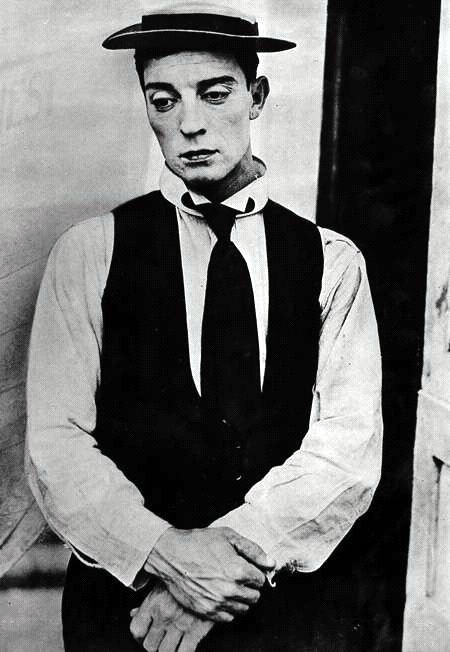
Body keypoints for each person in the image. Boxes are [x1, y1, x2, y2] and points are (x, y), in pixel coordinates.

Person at [25, 3, 383, 651]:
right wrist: (165, 555)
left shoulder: (331, 261)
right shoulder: (89, 252)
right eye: (163, 100)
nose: (189, 123)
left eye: (215, 94)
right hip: (128, 613)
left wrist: (223, 570)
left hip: (278, 609)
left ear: (257, 97)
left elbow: (348, 445)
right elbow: (56, 442)